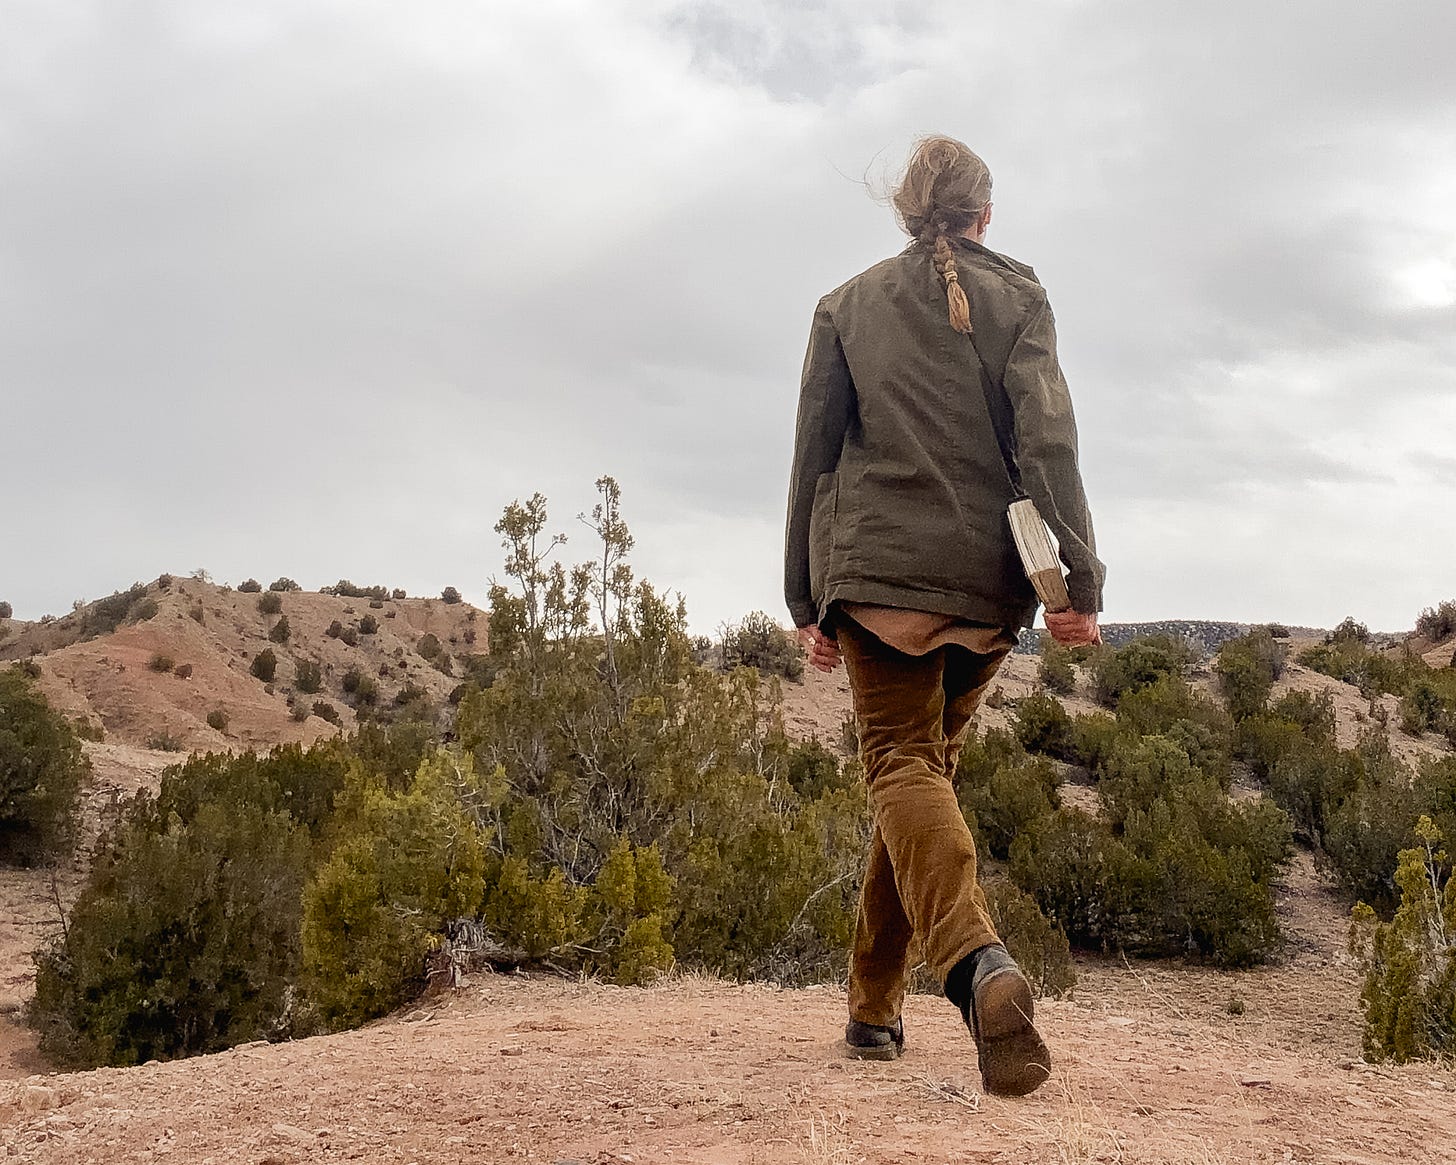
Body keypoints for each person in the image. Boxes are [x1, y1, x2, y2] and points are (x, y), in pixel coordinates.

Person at [783, 135, 1104, 1097]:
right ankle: (873, 1007)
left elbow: (814, 456)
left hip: (876, 578)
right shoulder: (1023, 298)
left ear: (905, 211)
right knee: (919, 776)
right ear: (985, 214)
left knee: (902, 771)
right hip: (985, 587)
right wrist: (1077, 583)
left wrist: (804, 594)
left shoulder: (845, 304)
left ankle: (973, 964)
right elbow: (1049, 444)